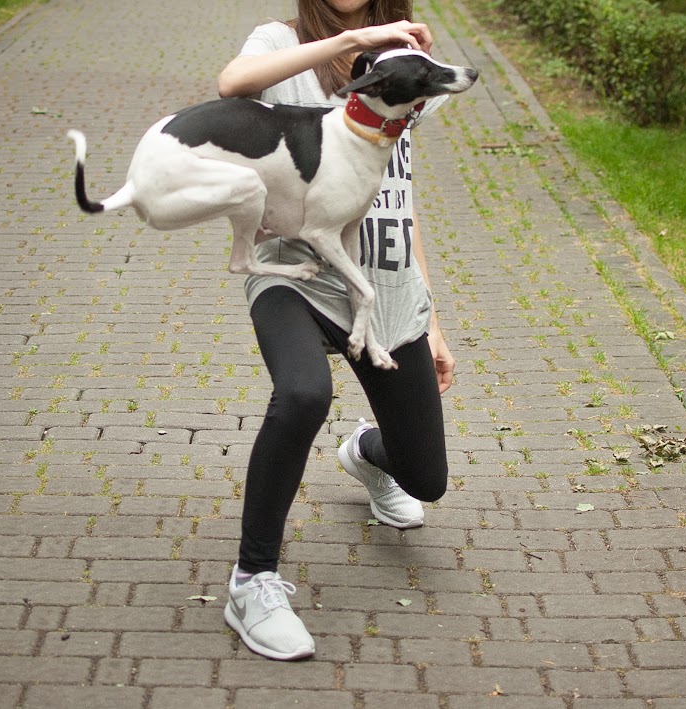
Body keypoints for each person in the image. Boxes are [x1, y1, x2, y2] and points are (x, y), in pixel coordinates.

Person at [216, 0, 454, 661]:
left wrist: (431, 315)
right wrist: (352, 39)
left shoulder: (406, 60)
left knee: (426, 478)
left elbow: (400, 194)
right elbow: (232, 82)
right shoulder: (280, 43)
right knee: (302, 393)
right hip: (294, 273)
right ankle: (252, 582)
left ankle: (367, 455)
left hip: (385, 289)